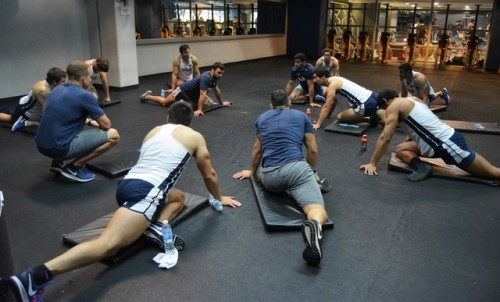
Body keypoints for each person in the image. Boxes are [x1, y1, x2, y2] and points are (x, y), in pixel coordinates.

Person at [3, 101, 242, 302]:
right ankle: (35, 277)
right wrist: (218, 197)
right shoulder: (194, 136)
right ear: (189, 121)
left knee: (178, 197)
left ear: (168, 116)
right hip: (146, 194)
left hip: (126, 186)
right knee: (108, 244)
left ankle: (157, 226)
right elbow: (209, 174)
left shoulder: (155, 130)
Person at [232, 89, 330, 265]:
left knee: (271, 170)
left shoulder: (261, 118)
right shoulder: (302, 117)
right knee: (316, 209)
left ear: (271, 105)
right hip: (297, 170)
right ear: (289, 103)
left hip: (270, 177)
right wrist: (311, 172)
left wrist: (252, 172)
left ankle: (299, 189)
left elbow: (257, 150)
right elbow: (312, 150)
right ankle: (314, 224)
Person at [360, 89, 500, 182]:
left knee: (494, 173)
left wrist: (373, 163)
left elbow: (386, 137)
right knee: (401, 149)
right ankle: (423, 167)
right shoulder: (414, 99)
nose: (386, 111)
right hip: (441, 141)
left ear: (385, 101)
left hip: (447, 145)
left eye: (384, 108)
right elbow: (420, 123)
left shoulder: (392, 107)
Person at [35, 60, 120, 183]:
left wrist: (90, 122)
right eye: (89, 77)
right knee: (113, 135)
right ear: (82, 78)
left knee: (63, 126)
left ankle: (58, 162)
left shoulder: (56, 90)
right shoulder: (85, 95)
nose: (91, 80)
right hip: (58, 148)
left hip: (41, 144)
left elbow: (65, 115)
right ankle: (74, 167)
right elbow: (106, 125)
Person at [140, 62, 231, 117]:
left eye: (222, 73)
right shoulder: (206, 78)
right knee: (164, 103)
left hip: (193, 94)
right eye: (219, 73)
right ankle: (147, 96)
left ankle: (189, 103)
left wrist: (222, 102)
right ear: (213, 70)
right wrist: (199, 110)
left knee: (209, 104)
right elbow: (203, 94)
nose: (220, 75)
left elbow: (217, 90)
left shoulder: (214, 78)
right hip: (182, 91)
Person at [311, 66, 385, 130]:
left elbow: (327, 106)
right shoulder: (335, 78)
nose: (314, 80)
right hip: (372, 95)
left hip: (365, 104)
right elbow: (333, 101)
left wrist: (318, 124)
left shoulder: (332, 85)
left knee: (340, 118)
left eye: (315, 77)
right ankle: (375, 115)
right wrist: (328, 116)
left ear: (323, 77)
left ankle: (369, 119)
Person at [0, 67, 67, 133]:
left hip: (34, 109)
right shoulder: (42, 91)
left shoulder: (52, 85)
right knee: (10, 118)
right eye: (63, 81)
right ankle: (25, 122)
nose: (64, 83)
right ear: (55, 81)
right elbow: (46, 113)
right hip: (24, 110)